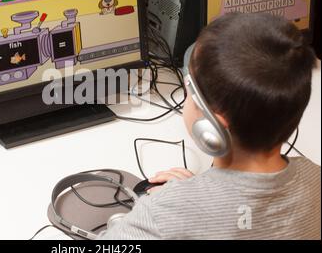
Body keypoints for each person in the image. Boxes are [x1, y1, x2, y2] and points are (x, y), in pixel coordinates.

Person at [99, 13, 321, 240]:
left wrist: (165, 207)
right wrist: (196, 193)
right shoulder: (316, 180)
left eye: (189, 87)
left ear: (211, 123)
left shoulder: (159, 216)